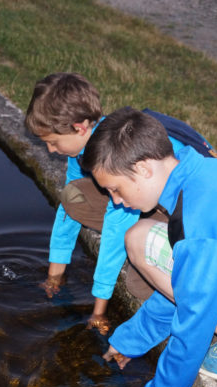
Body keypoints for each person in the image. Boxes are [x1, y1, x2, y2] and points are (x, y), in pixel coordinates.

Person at [80, 106, 217, 387]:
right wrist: (132, 340)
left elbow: (192, 325)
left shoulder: (200, 220)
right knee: (145, 239)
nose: (117, 201)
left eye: (116, 189)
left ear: (142, 168)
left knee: (161, 261)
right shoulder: (202, 171)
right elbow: (185, 279)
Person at [25, 73, 189, 334]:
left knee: (139, 284)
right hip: (135, 193)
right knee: (71, 195)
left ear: (79, 127)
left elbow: (115, 229)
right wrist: (54, 275)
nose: (51, 151)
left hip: (177, 204)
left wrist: (99, 309)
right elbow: (68, 205)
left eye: (53, 142)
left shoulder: (113, 154)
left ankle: (200, 323)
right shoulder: (81, 149)